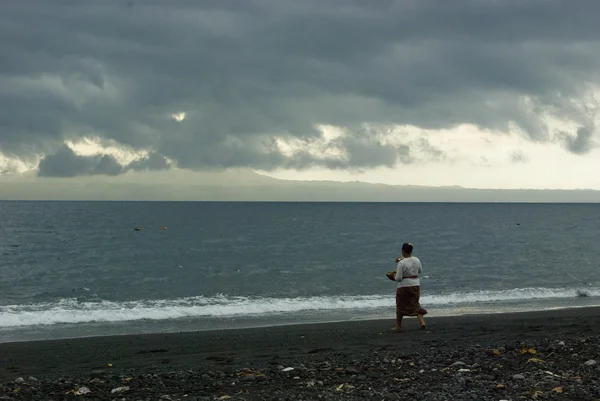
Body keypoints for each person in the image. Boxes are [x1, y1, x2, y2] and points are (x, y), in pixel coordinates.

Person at [388, 242, 427, 332]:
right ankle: (422, 323)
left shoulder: (401, 263)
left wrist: (391, 277)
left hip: (403, 286)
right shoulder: (416, 259)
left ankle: (398, 326)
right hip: (416, 285)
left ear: (403, 251)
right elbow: (420, 271)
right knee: (415, 304)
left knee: (400, 305)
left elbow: (398, 278)